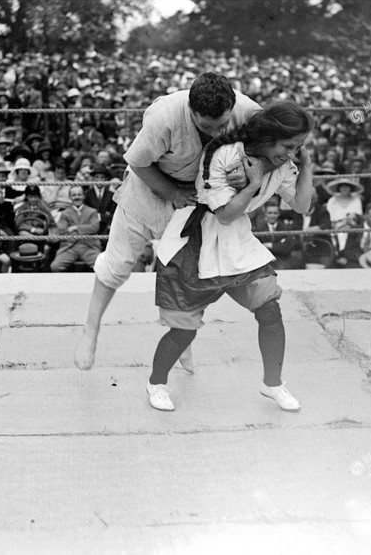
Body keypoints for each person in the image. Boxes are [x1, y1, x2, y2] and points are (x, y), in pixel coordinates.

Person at [74, 72, 260, 371]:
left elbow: (268, 143)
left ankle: (182, 342)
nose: (215, 132)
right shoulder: (165, 116)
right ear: (191, 109)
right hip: (146, 190)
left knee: (189, 272)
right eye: (205, 126)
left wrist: (248, 169)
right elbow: (137, 161)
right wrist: (171, 191)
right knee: (119, 264)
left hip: (194, 198)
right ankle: (90, 329)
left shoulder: (246, 110)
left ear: (231, 107)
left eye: (221, 125)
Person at [147, 101, 313, 412]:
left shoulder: (285, 163)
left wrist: (306, 166)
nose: (291, 153)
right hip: (196, 243)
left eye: (298, 147)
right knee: (184, 329)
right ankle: (156, 382)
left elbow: (303, 206)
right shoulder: (225, 154)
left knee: (270, 310)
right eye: (289, 145)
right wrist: (251, 184)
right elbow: (223, 214)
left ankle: (273, 383)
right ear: (268, 135)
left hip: (237, 244)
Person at [50, 186, 102, 272]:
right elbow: (62, 230)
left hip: (88, 246)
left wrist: (75, 228)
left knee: (102, 267)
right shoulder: (65, 213)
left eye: (79, 194)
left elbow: (94, 227)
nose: (77, 197)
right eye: (74, 195)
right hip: (70, 247)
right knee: (55, 266)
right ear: (70, 197)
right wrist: (85, 230)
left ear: (83, 196)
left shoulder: (92, 211)